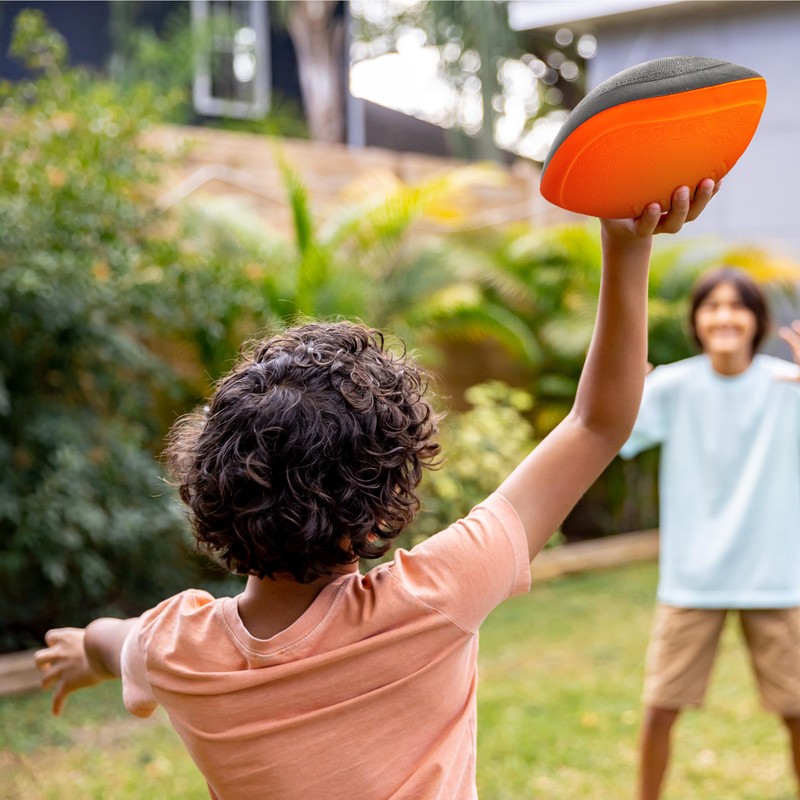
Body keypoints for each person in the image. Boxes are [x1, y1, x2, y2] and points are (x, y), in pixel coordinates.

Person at [34, 180, 718, 800]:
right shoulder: (433, 599)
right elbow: (597, 425)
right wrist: (625, 247)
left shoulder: (178, 648)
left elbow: (117, 640)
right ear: (369, 518)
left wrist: (84, 650)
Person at [622, 266, 800, 800]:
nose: (724, 316)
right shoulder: (672, 386)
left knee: (797, 712)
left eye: (737, 306)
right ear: (697, 320)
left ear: (757, 319)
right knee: (660, 707)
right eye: (712, 306)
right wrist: (622, 384)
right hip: (693, 577)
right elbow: (611, 435)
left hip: (775, 575)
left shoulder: (788, 385)